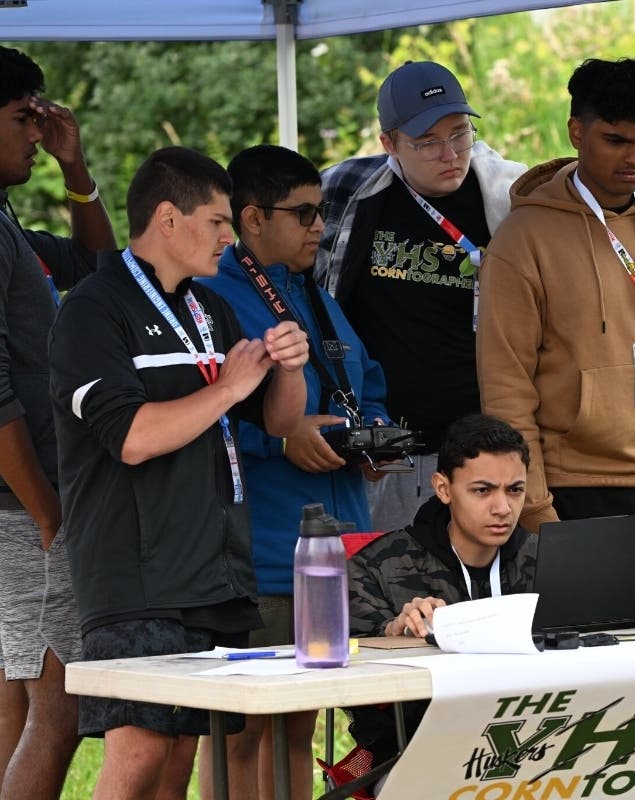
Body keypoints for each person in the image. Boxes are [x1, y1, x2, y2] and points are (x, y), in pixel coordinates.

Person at [48, 146, 309, 800]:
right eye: (217, 222)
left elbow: (277, 423)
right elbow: (132, 439)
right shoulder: (92, 308)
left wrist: (291, 366)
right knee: (138, 756)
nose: (229, 236)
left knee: (175, 767)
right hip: (134, 571)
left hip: (211, 567)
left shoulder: (208, 309)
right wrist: (227, 388)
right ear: (168, 218)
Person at [476, 57, 635, 613]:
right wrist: (536, 512)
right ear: (576, 132)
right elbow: (507, 388)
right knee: (594, 690)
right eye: (616, 140)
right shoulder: (524, 238)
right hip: (572, 496)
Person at [198, 144, 391, 800]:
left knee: (297, 729)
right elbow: (199, 419)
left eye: (324, 211)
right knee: (240, 733)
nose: (320, 226)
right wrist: (278, 444)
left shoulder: (312, 291)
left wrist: (373, 435)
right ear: (252, 218)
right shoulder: (211, 294)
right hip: (263, 554)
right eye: (304, 213)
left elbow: (366, 382)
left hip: (336, 548)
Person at [317, 60, 526, 533]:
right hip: (391, 453)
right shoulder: (345, 192)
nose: (449, 153)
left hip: (484, 451)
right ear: (389, 143)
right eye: (427, 141)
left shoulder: (512, 196)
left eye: (459, 133)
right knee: (398, 596)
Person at [0, 46, 115, 800]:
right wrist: (46, 510)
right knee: (58, 707)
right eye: (22, 119)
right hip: (23, 506)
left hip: (23, 505)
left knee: (17, 704)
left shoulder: (6, 223)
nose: (38, 135)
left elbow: (101, 272)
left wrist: (78, 174)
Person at [346, 413, 536, 771]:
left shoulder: (547, 561)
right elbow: (339, 659)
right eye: (482, 490)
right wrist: (394, 630)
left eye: (515, 490)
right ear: (443, 488)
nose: (502, 508)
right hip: (414, 758)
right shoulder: (376, 566)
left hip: (540, 746)